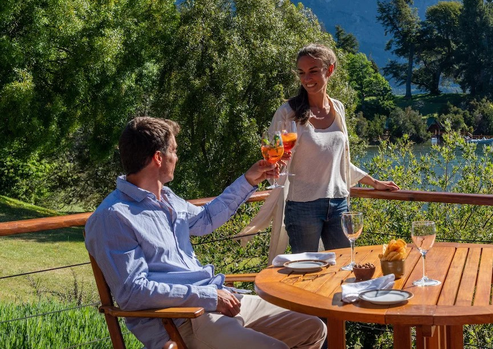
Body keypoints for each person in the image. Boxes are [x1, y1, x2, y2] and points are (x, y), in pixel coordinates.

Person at [85, 117, 326, 349]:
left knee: (313, 328)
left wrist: (249, 180)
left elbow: (206, 219)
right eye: (174, 151)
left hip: (219, 300)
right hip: (182, 321)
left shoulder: (167, 198)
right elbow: (133, 292)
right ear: (158, 158)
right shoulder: (113, 217)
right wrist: (208, 296)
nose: (177, 157)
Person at [268, 44, 400, 253]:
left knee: (343, 265)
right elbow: (273, 157)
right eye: (301, 73)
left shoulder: (338, 108)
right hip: (302, 206)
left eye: (313, 71)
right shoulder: (287, 113)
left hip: (339, 204)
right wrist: (276, 164)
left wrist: (374, 182)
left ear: (329, 70)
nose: (307, 78)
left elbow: (339, 163)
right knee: (306, 268)